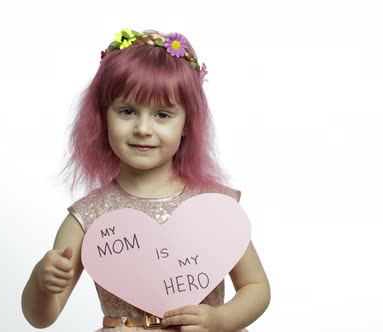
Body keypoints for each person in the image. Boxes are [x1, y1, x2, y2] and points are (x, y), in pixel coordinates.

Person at [21, 28, 270, 331]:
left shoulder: (212, 207)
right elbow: (42, 317)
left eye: (162, 115)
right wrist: (41, 283)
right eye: (127, 111)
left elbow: (256, 286)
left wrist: (220, 319)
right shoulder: (89, 216)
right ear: (103, 117)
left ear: (187, 123)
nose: (142, 128)